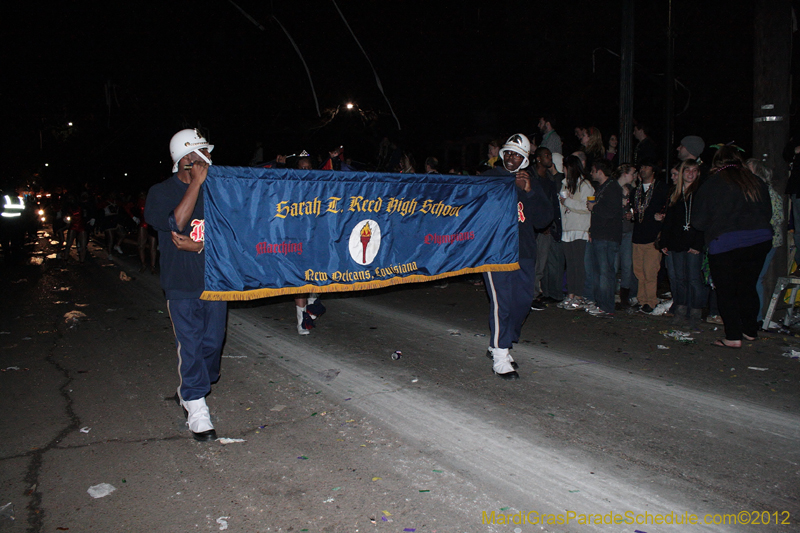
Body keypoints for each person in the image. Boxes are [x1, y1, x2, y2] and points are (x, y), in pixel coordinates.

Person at [144, 128, 227, 441]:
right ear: (187, 159)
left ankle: (199, 385)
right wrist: (195, 184)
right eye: (204, 153)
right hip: (180, 283)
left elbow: (229, 234)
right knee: (190, 344)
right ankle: (195, 403)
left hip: (215, 280)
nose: (210, 158)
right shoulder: (160, 191)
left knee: (212, 344)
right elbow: (176, 223)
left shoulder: (216, 189)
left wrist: (202, 245)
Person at [482, 134, 553, 379]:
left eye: (517, 154)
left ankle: (499, 342)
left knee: (522, 303)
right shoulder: (490, 179)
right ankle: (501, 355)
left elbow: (544, 219)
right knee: (502, 303)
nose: (512, 158)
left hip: (524, 252)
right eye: (508, 153)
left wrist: (530, 192)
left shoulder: (533, 182)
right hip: (495, 252)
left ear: (525, 159)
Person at [692, 146, 772, 348]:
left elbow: (699, 221)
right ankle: (750, 331)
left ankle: (733, 336)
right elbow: (767, 212)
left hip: (726, 242)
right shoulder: (756, 182)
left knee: (726, 290)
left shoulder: (713, 184)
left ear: (717, 163)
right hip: (759, 240)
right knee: (747, 286)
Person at [658, 160, 706, 327]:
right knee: (678, 279)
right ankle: (680, 310)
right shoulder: (675, 193)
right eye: (687, 170)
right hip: (676, 242)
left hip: (693, 242)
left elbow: (704, 220)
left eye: (694, 170)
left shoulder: (700, 192)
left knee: (693, 279)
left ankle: (695, 313)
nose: (691, 174)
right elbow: (669, 220)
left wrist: (698, 243)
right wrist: (664, 241)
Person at [746, 158, 784, 326]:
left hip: (766, 241)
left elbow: (777, 218)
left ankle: (757, 319)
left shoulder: (768, 193)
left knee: (755, 278)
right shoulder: (752, 192)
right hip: (753, 241)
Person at [585, 160, 623, 317]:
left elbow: (610, 212)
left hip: (608, 237)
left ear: (600, 171)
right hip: (599, 235)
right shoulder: (602, 188)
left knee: (605, 272)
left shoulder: (613, 187)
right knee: (598, 271)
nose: (591, 173)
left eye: (593, 170)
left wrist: (594, 207)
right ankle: (600, 303)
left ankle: (606, 306)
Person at [631, 159, 669, 314]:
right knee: (638, 271)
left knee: (650, 271)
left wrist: (662, 217)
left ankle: (651, 301)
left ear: (653, 170)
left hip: (653, 236)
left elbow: (668, 209)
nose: (643, 169)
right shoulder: (636, 191)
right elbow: (636, 210)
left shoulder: (661, 189)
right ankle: (642, 299)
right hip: (638, 235)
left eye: (646, 166)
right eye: (641, 166)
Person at [557, 155, 594, 310]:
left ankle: (579, 295)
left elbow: (587, 206)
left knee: (579, 265)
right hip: (567, 229)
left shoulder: (585, 185)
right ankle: (570, 294)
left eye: (565, 168)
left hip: (580, 229)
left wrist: (568, 202)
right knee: (570, 264)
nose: (563, 171)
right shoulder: (564, 185)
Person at [615, 164, 639, 308]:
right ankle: (613, 295)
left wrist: (632, 214)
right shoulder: (613, 188)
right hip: (615, 232)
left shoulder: (632, 190)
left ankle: (625, 296)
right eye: (632, 173)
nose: (634, 176)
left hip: (628, 230)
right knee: (614, 264)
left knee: (627, 265)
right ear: (624, 173)